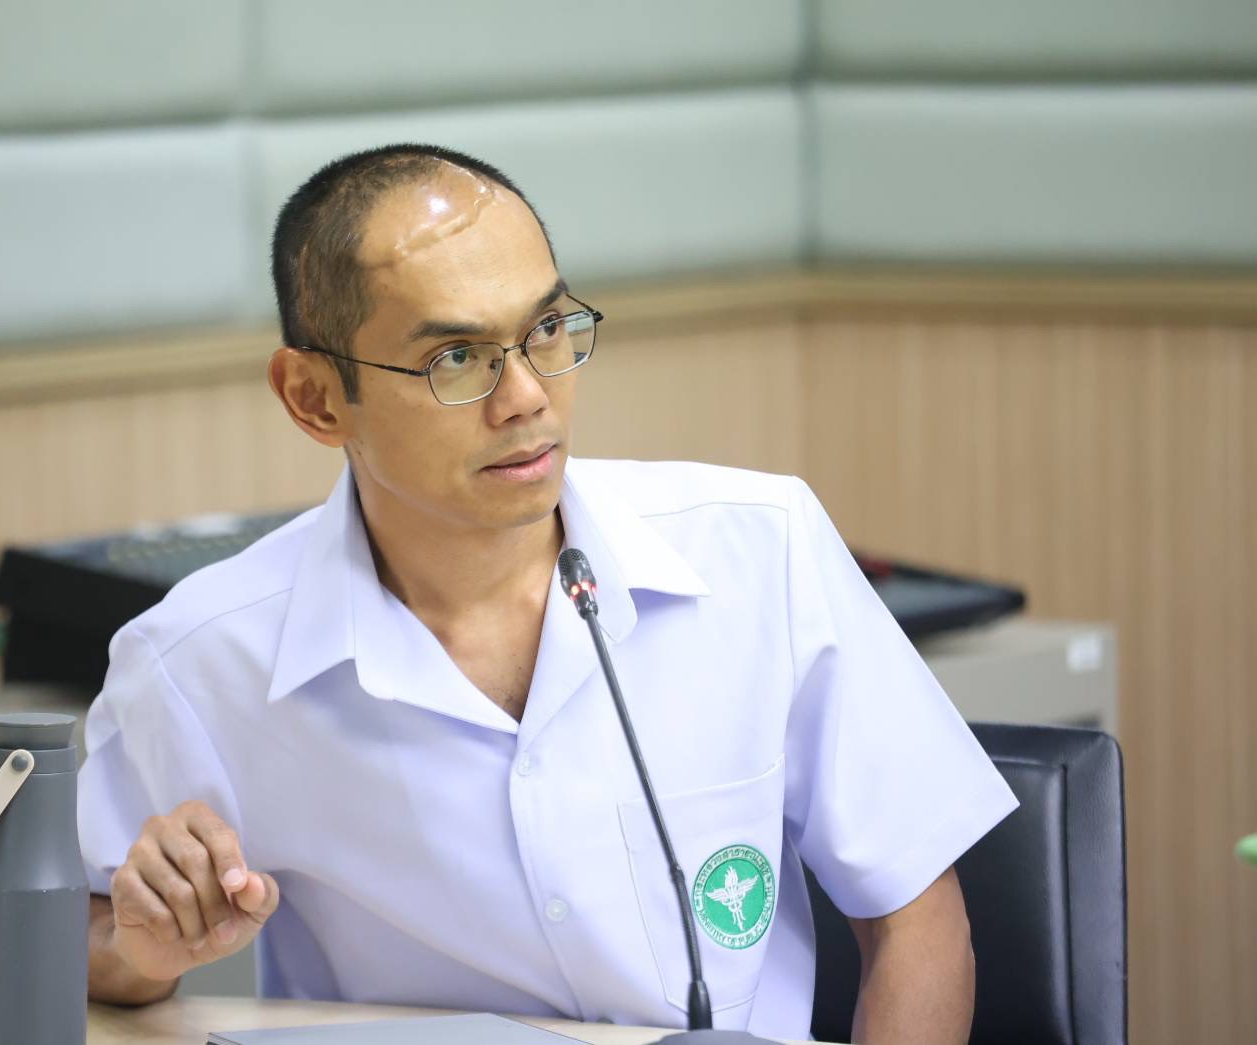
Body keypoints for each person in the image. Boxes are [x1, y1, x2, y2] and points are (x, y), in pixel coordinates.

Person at [77, 143, 1018, 1041]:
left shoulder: (758, 548)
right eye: (455, 357)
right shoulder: (200, 659)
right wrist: (138, 951)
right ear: (315, 399)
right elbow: (77, 942)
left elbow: (914, 920)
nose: (525, 395)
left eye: (546, 330)